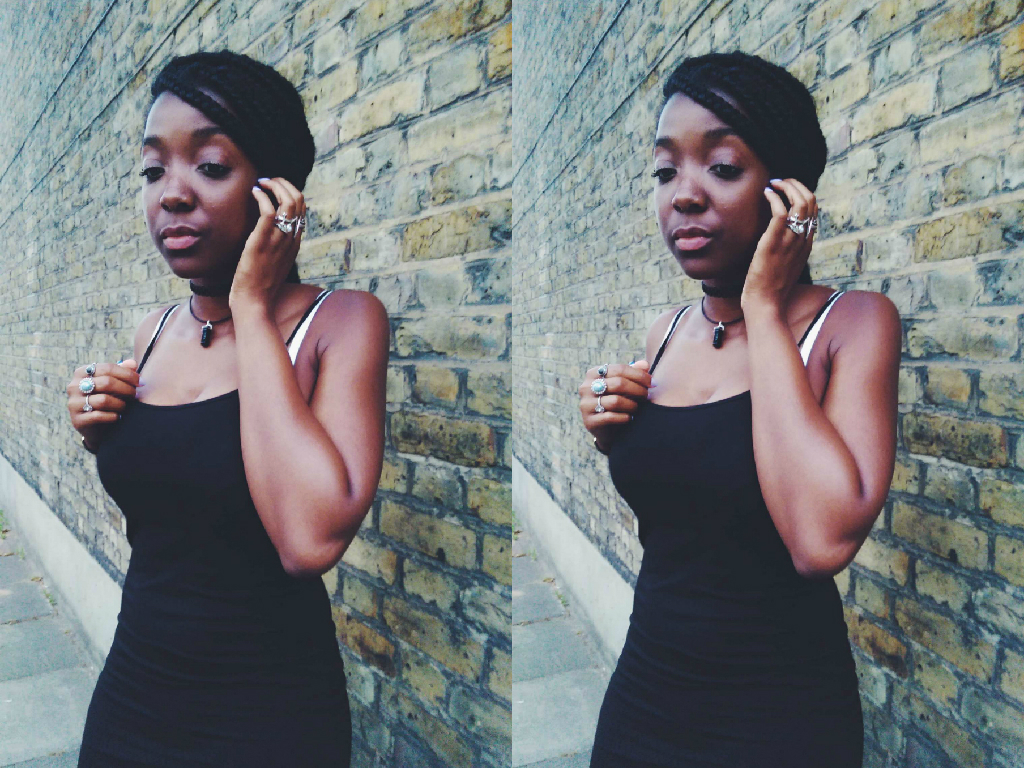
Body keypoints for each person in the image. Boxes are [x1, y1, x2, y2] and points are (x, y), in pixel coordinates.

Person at [65, 50, 389, 767]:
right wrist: (97, 426)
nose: (171, 195)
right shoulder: (154, 332)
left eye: (210, 166)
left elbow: (308, 541)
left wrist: (250, 302)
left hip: (267, 714)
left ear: (276, 191)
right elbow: (181, 486)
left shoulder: (342, 324)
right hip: (135, 688)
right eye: (153, 170)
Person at [577, 51, 901, 767]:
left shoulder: (853, 325)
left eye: (722, 167)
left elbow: (820, 542)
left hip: (781, 714)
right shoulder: (666, 333)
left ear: (788, 192)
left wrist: (762, 304)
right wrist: (610, 427)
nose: (683, 196)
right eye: (665, 171)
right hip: (647, 691)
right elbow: (695, 486)